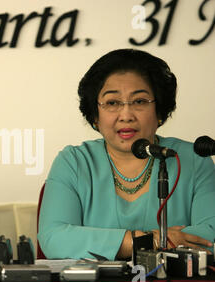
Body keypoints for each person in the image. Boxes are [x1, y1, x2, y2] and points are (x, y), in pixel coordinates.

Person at [38, 49, 214, 261]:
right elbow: (54, 239)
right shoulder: (74, 162)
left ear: (159, 112)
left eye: (139, 101)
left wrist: (119, 243)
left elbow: (210, 237)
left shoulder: (192, 158)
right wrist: (152, 241)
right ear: (95, 116)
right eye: (112, 103)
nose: (126, 115)